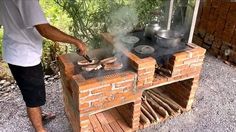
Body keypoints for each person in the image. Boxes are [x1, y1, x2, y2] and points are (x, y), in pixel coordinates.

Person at [0, 0, 87, 132]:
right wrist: (76, 41)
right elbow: (45, 30)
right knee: (32, 99)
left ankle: (40, 116)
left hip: (14, 50)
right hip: (25, 57)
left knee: (32, 94)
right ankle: (40, 129)